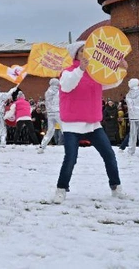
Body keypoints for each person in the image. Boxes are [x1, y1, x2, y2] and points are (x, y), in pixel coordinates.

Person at [53, 41, 127, 204]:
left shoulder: (95, 72)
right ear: (76, 55)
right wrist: (80, 69)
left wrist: (121, 69)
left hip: (93, 124)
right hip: (72, 124)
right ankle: (61, 189)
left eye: (88, 51)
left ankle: (116, 187)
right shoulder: (67, 71)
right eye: (82, 51)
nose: (86, 54)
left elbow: (111, 81)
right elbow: (67, 86)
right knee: (71, 158)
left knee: (109, 155)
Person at [38, 78, 61, 152]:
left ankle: (42, 146)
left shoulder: (47, 92)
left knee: (50, 131)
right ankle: (71, 146)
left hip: (50, 113)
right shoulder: (59, 91)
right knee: (65, 129)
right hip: (58, 112)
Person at [125, 78, 139, 155]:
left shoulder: (128, 95)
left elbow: (130, 106)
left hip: (132, 117)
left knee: (132, 134)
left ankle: (131, 150)